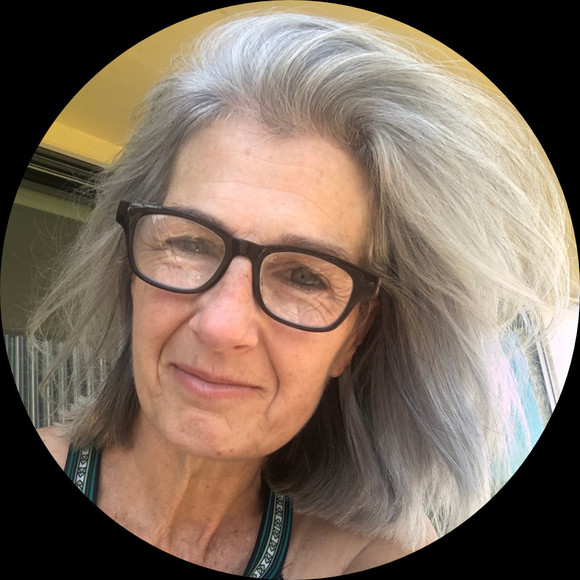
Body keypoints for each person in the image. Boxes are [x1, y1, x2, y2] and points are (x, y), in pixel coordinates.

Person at [28, 10, 573, 578]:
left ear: (354, 336)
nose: (221, 326)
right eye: (189, 243)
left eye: (305, 277)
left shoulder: (371, 556)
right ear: (129, 270)